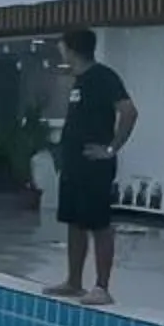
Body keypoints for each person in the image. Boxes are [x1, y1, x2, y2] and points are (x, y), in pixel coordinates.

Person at [51, 25, 137, 303]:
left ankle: (102, 287)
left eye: (61, 45)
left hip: (94, 166)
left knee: (99, 224)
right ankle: (74, 281)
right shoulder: (80, 79)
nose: (59, 49)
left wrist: (111, 148)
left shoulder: (102, 76)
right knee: (75, 223)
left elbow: (129, 112)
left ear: (71, 48)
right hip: (75, 165)